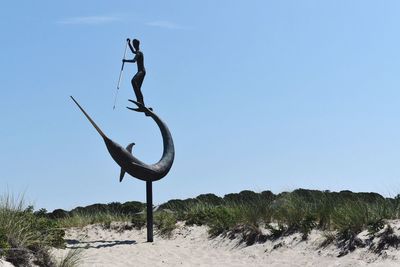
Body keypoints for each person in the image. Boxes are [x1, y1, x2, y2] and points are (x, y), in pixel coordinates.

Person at [123, 38, 146, 106]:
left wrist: (125, 60)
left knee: (133, 81)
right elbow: (132, 51)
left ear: (136, 45)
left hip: (142, 71)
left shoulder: (139, 53)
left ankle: (140, 101)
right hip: (141, 72)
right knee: (137, 88)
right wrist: (129, 43)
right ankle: (141, 104)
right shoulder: (137, 52)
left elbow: (134, 61)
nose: (133, 46)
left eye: (133, 44)